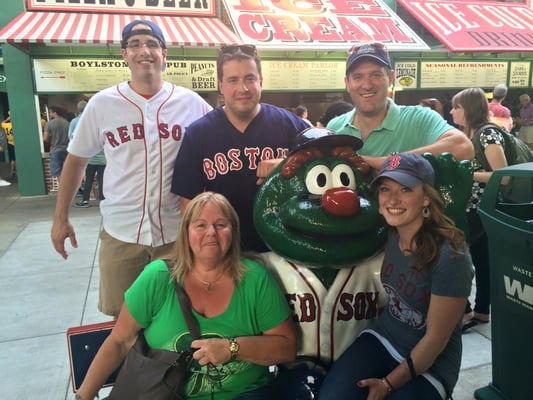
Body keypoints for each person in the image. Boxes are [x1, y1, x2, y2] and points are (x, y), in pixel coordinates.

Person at [51, 20, 212, 318]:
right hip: (121, 233)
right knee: (123, 321)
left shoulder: (192, 103)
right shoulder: (102, 104)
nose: (144, 51)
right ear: (124, 54)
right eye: (135, 44)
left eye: (152, 44)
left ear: (164, 54)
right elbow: (76, 159)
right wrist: (60, 218)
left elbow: (220, 149)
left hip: (177, 235)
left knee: (180, 318)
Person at [75, 192, 297, 400]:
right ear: (186, 233)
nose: (211, 232)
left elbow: (286, 348)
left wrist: (232, 348)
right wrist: (82, 397)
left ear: (233, 232)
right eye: (200, 225)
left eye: (220, 225)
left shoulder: (254, 278)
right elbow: (119, 342)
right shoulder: (158, 278)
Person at [316, 153, 473, 400]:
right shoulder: (389, 233)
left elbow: (435, 340)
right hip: (385, 337)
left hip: (432, 363)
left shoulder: (451, 256)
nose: (392, 199)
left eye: (406, 190)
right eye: (385, 189)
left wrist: (387, 384)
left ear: (426, 199)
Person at [171, 44, 310, 253]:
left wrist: (288, 163)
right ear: (220, 85)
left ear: (261, 82)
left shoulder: (291, 125)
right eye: (233, 80)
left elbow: (323, 165)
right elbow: (188, 201)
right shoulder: (198, 133)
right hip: (225, 253)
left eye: (250, 79)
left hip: (285, 249)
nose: (242, 89)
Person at [327, 42, 473, 170]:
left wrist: (386, 163)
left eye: (376, 75)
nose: (367, 85)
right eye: (358, 77)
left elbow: (463, 148)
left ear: (390, 78)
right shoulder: (335, 128)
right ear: (347, 83)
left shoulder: (419, 118)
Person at [450, 87, 508, 331]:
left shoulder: (486, 135)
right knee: (481, 261)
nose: (452, 111)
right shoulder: (469, 135)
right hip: (476, 208)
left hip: (480, 208)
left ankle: (466, 312)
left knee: (456, 257)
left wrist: (468, 173)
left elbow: (503, 175)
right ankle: (481, 311)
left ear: (469, 110)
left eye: (457, 107)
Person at [68, 100, 107, 208]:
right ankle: (103, 200)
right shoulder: (99, 120)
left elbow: (71, 138)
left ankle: (85, 200)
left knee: (88, 179)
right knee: (102, 179)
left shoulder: (75, 122)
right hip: (103, 158)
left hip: (89, 158)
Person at [43, 105, 70, 188]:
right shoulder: (67, 123)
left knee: (58, 172)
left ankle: (63, 189)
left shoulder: (49, 123)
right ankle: (70, 188)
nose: (50, 114)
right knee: (68, 170)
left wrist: (51, 140)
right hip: (67, 149)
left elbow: (45, 138)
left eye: (51, 113)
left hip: (55, 149)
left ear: (55, 113)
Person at [1, 111, 16, 182]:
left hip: (10, 143)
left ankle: (12, 171)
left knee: (13, 159)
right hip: (17, 143)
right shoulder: (16, 124)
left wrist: (7, 119)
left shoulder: (6, 125)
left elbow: (1, 123)